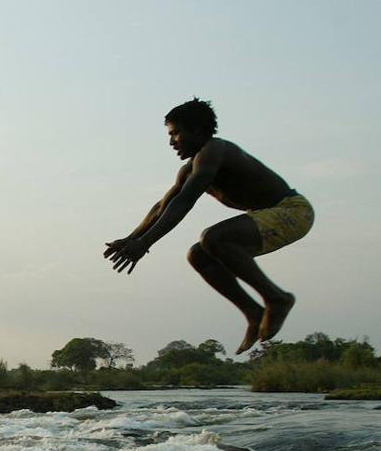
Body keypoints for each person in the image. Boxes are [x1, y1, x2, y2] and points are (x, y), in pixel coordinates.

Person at [104, 98, 313, 353]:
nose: (171, 142)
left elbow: (185, 201)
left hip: (293, 211)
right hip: (269, 215)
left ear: (198, 131)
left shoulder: (215, 150)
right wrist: (131, 239)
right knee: (198, 255)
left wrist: (145, 243)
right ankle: (253, 313)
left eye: (176, 133)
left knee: (214, 238)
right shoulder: (189, 168)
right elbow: (162, 207)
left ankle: (277, 299)